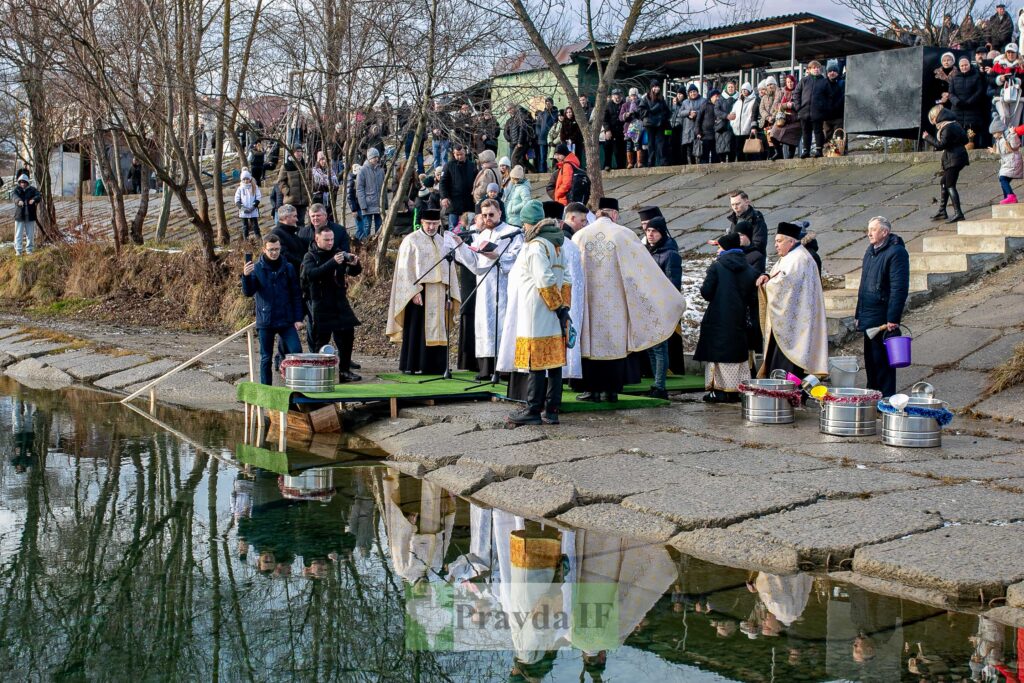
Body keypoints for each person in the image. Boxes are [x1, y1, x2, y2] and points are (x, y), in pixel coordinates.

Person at [572, 199, 687, 402]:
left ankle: (591, 390)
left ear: (598, 213)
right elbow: (641, 271)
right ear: (614, 214)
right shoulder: (624, 235)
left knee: (590, 346)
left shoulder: (580, 236)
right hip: (615, 305)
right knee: (614, 346)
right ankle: (611, 390)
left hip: (588, 303)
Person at [498, 200, 571, 426]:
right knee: (555, 362)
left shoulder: (535, 246)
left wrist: (557, 308)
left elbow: (544, 279)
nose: (523, 229)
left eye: (524, 224)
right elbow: (566, 279)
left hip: (537, 310)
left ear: (530, 224)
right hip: (554, 310)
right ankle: (552, 409)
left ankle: (532, 408)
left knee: (536, 361)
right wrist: (563, 308)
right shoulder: (557, 243)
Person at [386, 209, 463, 374]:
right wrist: (413, 291)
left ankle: (436, 366)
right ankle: (414, 364)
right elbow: (404, 269)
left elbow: (449, 270)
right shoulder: (411, 240)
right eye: (428, 223)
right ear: (421, 222)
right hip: (420, 291)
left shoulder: (443, 241)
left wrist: (449, 295)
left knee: (439, 327)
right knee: (417, 327)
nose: (431, 227)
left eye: (435, 224)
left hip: (440, 291)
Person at [454, 198, 522, 378]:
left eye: (491, 214)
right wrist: (461, 248)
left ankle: (505, 369)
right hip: (484, 286)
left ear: (500, 212)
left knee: (503, 324)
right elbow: (475, 265)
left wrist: (496, 256)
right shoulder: (482, 235)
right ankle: (486, 368)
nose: (488, 218)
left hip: (504, 286)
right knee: (485, 325)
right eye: (484, 215)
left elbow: (517, 258)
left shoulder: (512, 232)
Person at [756, 222, 829, 378]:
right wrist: (767, 277)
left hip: (795, 323)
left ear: (791, 241)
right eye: (775, 241)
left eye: (779, 241)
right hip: (786, 320)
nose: (776, 245)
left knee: (788, 365)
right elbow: (777, 275)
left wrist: (767, 284)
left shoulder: (800, 258)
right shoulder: (789, 256)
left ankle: (788, 391)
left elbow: (786, 284)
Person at [694, 232, 758, 403]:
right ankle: (736, 390)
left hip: (718, 319)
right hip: (739, 320)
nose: (717, 251)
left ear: (726, 248)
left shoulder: (717, 267)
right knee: (737, 356)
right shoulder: (750, 270)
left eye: (720, 247)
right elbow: (752, 299)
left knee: (718, 356)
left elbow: (706, 292)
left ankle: (719, 391)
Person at [854, 217, 909, 398]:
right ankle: (872, 395)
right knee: (870, 361)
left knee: (883, 361)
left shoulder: (896, 253)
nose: (869, 233)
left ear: (884, 232)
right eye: (868, 229)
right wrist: (858, 314)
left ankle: (885, 397)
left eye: (874, 230)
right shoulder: (870, 251)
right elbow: (863, 285)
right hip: (868, 313)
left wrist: (893, 317)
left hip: (883, 315)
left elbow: (898, 288)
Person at [301, 223, 362, 381]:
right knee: (321, 341)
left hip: (339, 302)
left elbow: (352, 272)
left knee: (347, 336)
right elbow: (312, 274)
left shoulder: (337, 252)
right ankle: (317, 373)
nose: (330, 243)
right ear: (317, 239)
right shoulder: (310, 256)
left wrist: (355, 264)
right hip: (321, 304)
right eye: (326, 240)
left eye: (332, 239)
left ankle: (344, 371)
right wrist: (333, 262)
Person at [241, 235, 303, 385]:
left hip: (286, 319)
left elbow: (296, 294)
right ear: (264, 249)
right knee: (265, 358)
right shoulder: (257, 268)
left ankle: (294, 386)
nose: (274, 253)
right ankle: (266, 390)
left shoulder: (288, 268)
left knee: (296, 352)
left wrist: (298, 318)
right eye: (271, 250)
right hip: (266, 320)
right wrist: (246, 276)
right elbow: (248, 292)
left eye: (277, 249)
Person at [641, 216, 682, 399]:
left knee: (659, 347)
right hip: (646, 304)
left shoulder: (670, 254)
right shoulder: (646, 251)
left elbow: (672, 283)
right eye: (648, 231)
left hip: (659, 305)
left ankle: (660, 385)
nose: (650, 234)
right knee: (651, 346)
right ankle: (656, 383)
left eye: (654, 231)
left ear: (662, 233)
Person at [922, 104, 969, 223]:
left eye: (932, 119)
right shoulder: (954, 124)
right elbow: (965, 140)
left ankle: (958, 213)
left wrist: (928, 137)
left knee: (950, 185)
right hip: (958, 157)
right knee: (944, 182)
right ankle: (942, 210)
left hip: (954, 159)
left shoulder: (947, 127)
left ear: (937, 116)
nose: (933, 122)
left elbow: (941, 144)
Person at [949, 57, 989, 147]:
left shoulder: (976, 76)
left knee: (972, 131)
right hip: (957, 109)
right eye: (962, 66)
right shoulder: (954, 78)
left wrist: (969, 102)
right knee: (958, 130)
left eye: (966, 65)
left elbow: (979, 91)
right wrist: (957, 102)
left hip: (972, 109)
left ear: (969, 65)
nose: (964, 67)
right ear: (959, 67)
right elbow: (951, 93)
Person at [726, 190, 768, 273]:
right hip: (738, 262)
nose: (735, 207)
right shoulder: (734, 219)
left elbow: (759, 244)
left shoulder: (756, 220)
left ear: (747, 202)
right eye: (732, 205)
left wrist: (743, 245)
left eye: (737, 204)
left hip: (754, 264)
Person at [794, 61, 830, 158]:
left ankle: (819, 150)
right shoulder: (804, 81)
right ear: (809, 70)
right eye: (814, 68)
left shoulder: (824, 81)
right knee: (806, 132)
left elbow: (829, 97)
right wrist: (798, 107)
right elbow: (796, 94)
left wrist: (824, 109)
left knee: (818, 131)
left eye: (818, 67)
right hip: (804, 112)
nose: (816, 69)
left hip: (818, 113)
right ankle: (806, 151)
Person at [440, 144, 477, 229]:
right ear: (454, 154)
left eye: (461, 154)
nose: (459, 157)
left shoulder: (471, 165)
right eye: (457, 155)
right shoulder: (448, 166)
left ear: (465, 153)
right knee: (452, 227)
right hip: (454, 202)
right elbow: (443, 182)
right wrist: (444, 197)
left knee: (469, 227)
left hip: (468, 202)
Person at [638, 81, 672, 167]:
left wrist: (664, 117)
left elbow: (667, 110)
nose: (657, 88)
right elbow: (641, 111)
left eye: (658, 86)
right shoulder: (645, 98)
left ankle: (662, 161)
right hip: (650, 124)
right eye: (655, 86)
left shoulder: (661, 98)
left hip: (660, 123)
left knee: (661, 143)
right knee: (651, 143)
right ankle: (650, 162)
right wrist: (650, 112)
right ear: (651, 87)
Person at [991, 43, 1024, 128]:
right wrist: (1000, 79)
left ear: (1017, 53)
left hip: (1017, 97)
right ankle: (1003, 139)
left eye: (1013, 52)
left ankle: (1012, 140)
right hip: (1000, 95)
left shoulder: (1021, 66)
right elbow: (990, 80)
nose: (1010, 54)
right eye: (1008, 52)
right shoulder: (998, 65)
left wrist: (1017, 81)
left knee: (1014, 122)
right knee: (1004, 116)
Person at [356, 147, 385, 241]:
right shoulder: (362, 170)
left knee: (379, 226)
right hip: (367, 204)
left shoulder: (380, 170)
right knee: (366, 227)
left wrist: (385, 203)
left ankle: (377, 244)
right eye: (374, 157)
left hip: (378, 204)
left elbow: (383, 187)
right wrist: (363, 205)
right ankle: (365, 244)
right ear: (369, 158)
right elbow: (359, 189)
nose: (376, 159)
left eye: (377, 157)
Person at [990, 119, 1023, 203]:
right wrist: (993, 151)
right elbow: (1001, 152)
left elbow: (1015, 145)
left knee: (1003, 178)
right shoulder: (999, 140)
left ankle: (1010, 196)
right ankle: (1007, 197)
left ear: (999, 131)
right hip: (1009, 162)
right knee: (1003, 179)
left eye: (994, 133)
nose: (993, 135)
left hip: (1013, 161)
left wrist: (1012, 134)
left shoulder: (1008, 136)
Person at [276, 146, 310, 226]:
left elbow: (311, 179)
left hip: (303, 200)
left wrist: (309, 191)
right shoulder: (286, 166)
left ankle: (300, 237)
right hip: (291, 200)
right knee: (290, 222)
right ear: (292, 153)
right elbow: (280, 181)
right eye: (297, 151)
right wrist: (287, 191)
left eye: (300, 151)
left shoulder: (305, 165)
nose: (299, 153)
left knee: (301, 222)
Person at [770, 74, 802, 159]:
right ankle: (778, 153)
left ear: (794, 82)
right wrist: (785, 105)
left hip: (795, 119)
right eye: (788, 82)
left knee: (792, 138)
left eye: (791, 81)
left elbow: (800, 105)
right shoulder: (782, 92)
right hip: (783, 119)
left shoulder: (798, 91)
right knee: (773, 134)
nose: (790, 83)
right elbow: (776, 105)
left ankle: (790, 157)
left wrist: (792, 105)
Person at [675, 84, 704, 166]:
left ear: (697, 92)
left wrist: (695, 113)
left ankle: (699, 164)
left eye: (694, 91)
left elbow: (704, 111)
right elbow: (680, 113)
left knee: (699, 147)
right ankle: (691, 164)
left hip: (699, 128)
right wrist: (688, 113)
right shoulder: (685, 102)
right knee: (689, 148)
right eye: (691, 92)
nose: (692, 93)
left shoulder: (703, 100)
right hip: (688, 129)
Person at [12, 174, 40, 256]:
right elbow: (14, 197)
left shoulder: (32, 190)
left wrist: (34, 199)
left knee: (30, 234)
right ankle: (18, 251)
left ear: (27, 182)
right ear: (19, 182)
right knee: (18, 235)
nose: (23, 184)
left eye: (24, 182)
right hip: (19, 216)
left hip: (30, 216)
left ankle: (29, 250)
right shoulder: (16, 190)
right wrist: (18, 201)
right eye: (21, 182)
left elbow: (39, 195)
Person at [730, 82, 759, 161]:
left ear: (749, 90)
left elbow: (753, 115)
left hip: (747, 129)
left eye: (745, 90)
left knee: (749, 150)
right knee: (739, 151)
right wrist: (733, 124)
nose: (744, 91)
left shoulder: (753, 101)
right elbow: (733, 113)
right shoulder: (738, 102)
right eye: (742, 90)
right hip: (737, 131)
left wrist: (752, 127)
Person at [602, 88, 627, 170]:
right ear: (612, 97)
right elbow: (604, 119)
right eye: (615, 96)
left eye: (619, 95)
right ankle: (607, 165)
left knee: (620, 151)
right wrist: (607, 130)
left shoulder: (625, 105)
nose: (617, 97)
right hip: (611, 131)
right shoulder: (608, 105)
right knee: (608, 148)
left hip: (622, 132)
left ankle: (621, 166)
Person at [234, 169, 262, 240]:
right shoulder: (240, 189)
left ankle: (258, 238)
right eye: (244, 179)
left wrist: (253, 206)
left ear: (250, 179)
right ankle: (245, 239)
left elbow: (258, 197)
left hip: (253, 210)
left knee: (255, 225)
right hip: (244, 211)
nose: (246, 181)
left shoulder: (254, 187)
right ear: (242, 180)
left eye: (247, 179)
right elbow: (237, 199)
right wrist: (242, 208)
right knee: (245, 226)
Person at [757, 78, 781, 160]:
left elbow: (779, 106)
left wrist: (773, 117)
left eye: (771, 84)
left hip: (777, 121)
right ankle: (771, 156)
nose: (769, 86)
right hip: (767, 122)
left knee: (776, 140)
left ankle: (778, 155)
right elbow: (761, 109)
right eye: (768, 85)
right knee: (768, 141)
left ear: (775, 84)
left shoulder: (779, 93)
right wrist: (767, 117)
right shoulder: (764, 97)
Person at [823, 61, 845, 149]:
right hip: (826, 117)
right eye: (830, 71)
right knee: (828, 138)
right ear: (827, 73)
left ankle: (841, 152)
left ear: (837, 72)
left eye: (834, 71)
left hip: (838, 116)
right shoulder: (823, 84)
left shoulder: (842, 83)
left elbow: (842, 97)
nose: (832, 72)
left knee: (839, 137)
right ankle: (828, 153)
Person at [695, 89, 721, 163]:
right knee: (704, 156)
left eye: (719, 96)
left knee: (715, 156)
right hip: (705, 135)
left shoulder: (720, 105)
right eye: (716, 96)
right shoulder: (705, 105)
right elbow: (698, 120)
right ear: (711, 97)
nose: (718, 98)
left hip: (716, 134)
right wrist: (698, 132)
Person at [311, 150, 340, 217]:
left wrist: (331, 187)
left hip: (331, 199)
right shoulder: (314, 172)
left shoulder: (331, 171)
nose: (324, 161)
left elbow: (336, 185)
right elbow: (317, 186)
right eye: (322, 159)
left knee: (330, 217)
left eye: (326, 159)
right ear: (318, 160)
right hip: (319, 199)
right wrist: (328, 186)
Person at [620, 87, 643, 167]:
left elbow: (642, 115)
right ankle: (630, 163)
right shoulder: (625, 105)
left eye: (635, 95)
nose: (633, 97)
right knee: (629, 145)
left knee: (637, 144)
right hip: (628, 128)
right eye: (632, 96)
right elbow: (620, 117)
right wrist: (626, 115)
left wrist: (635, 112)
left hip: (637, 128)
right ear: (629, 96)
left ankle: (639, 162)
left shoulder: (640, 104)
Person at [714, 85, 736, 162]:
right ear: (726, 89)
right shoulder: (720, 99)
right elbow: (716, 111)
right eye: (729, 87)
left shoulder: (738, 99)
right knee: (722, 146)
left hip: (733, 126)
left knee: (732, 147)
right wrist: (726, 116)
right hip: (722, 127)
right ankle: (722, 162)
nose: (730, 88)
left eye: (732, 87)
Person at [535, 98, 558, 173]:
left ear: (552, 104)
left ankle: (555, 172)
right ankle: (543, 172)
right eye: (546, 103)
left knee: (554, 156)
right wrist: (539, 133)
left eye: (549, 103)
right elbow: (538, 125)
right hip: (542, 138)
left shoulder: (556, 113)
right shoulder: (541, 114)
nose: (548, 104)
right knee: (542, 157)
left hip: (553, 138)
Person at [429, 100, 450, 169]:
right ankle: (436, 173)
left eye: (439, 104)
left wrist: (442, 130)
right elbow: (429, 126)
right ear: (434, 106)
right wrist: (433, 130)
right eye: (437, 104)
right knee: (436, 158)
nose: (438, 106)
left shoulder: (446, 115)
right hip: (435, 140)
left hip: (444, 138)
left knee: (444, 157)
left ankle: (445, 172)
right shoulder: (432, 115)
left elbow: (450, 125)